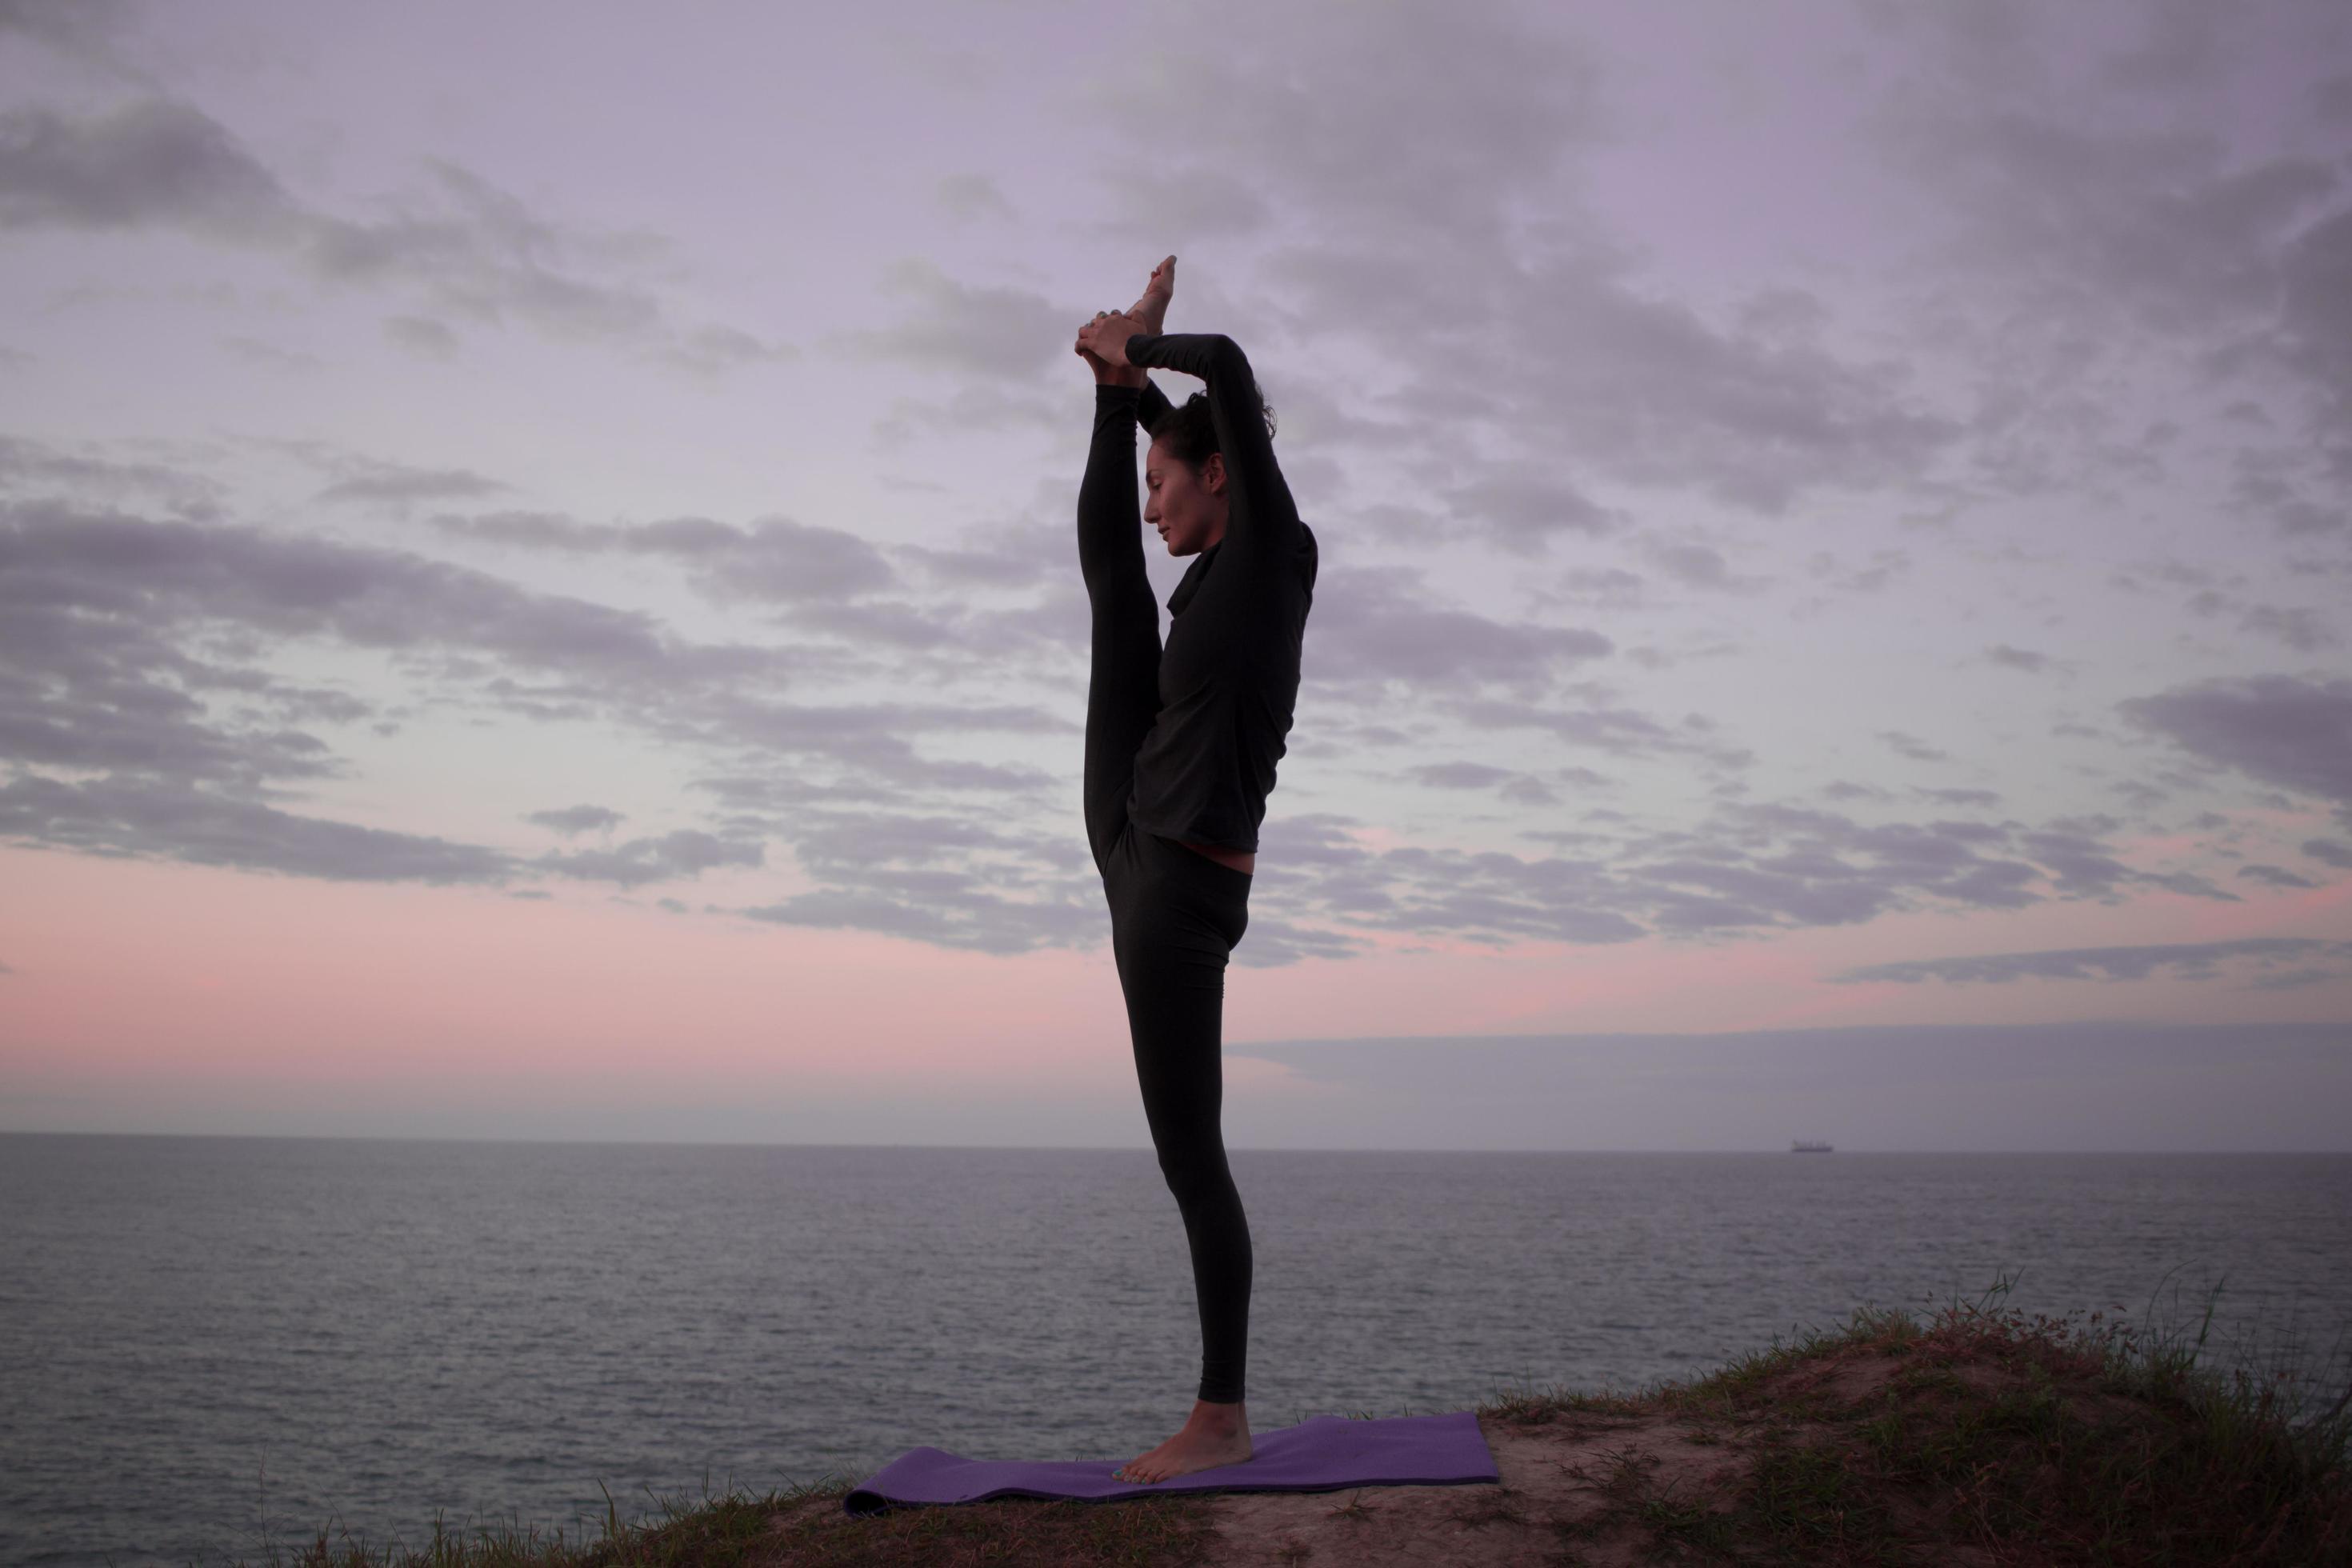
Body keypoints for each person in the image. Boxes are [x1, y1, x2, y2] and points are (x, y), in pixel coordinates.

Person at [1071, 257, 1318, 1484]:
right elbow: (1121, 568)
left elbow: (1228, 372)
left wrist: (1150, 345)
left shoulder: (1274, 554)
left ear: (1220, 475)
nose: (1158, 504)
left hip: (1181, 891)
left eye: (1167, 480)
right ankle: (1105, 395)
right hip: (1133, 854)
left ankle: (1222, 1417)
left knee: (1191, 1157)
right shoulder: (1196, 586)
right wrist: (1120, 395)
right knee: (1118, 595)